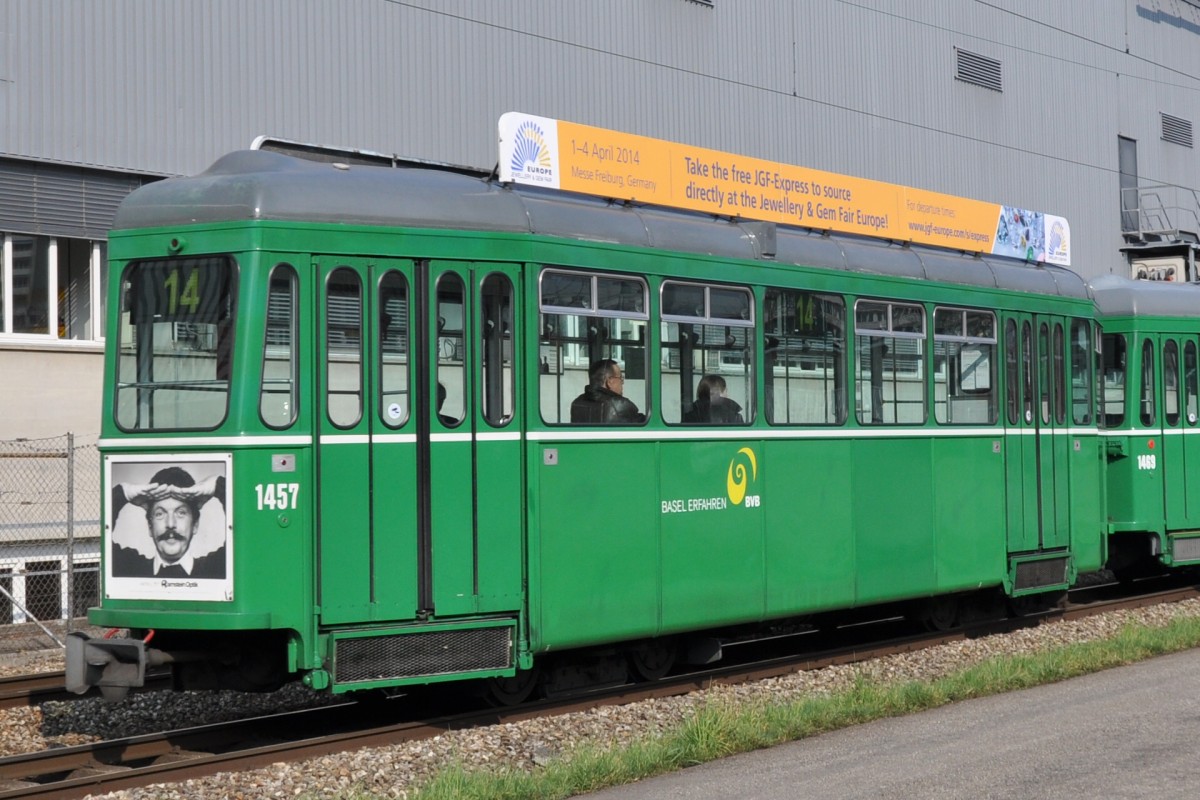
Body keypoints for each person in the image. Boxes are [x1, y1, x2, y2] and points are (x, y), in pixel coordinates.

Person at [111, 466, 227, 579]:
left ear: (195, 524)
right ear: (150, 527)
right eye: (160, 514)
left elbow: (245, 533)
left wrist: (217, 484)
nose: (170, 524)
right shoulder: (128, 569)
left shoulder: (218, 568)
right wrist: (123, 492)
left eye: (181, 513)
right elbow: (103, 544)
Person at [570, 359, 645, 423]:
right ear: (610, 382)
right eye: (620, 378)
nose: (622, 382)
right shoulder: (620, 406)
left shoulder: (577, 403)